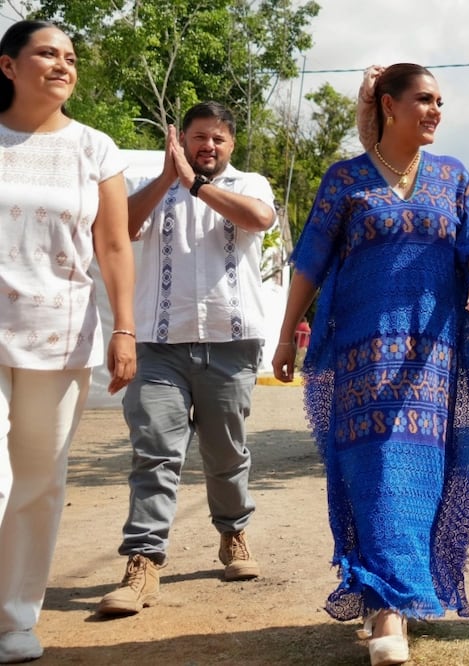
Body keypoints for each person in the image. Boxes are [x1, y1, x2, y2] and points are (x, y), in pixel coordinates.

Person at [270, 62, 469, 666]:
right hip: (363, 358)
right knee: (375, 475)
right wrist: (287, 337)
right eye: (423, 99)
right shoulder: (345, 180)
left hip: (431, 355)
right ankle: (389, 612)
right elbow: (310, 261)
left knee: (420, 475)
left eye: (440, 102)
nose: (434, 111)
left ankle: (390, 598)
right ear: (389, 105)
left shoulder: (453, 177)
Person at [97, 101, 276, 616]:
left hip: (230, 341)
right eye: (199, 137)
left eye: (218, 138)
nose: (208, 146)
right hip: (160, 345)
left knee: (226, 455)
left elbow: (258, 219)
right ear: (181, 141)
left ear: (231, 144)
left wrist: (196, 185)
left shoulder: (250, 184)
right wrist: (166, 178)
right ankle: (143, 561)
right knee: (154, 453)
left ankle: (233, 534)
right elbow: (119, 229)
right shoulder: (149, 189)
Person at [0, 20, 136, 663]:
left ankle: (15, 620)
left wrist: (125, 329)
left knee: (37, 482)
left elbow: (113, 246)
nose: (62, 65)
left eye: (70, 57)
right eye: (46, 54)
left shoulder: (95, 148)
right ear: (8, 66)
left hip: (59, 334)